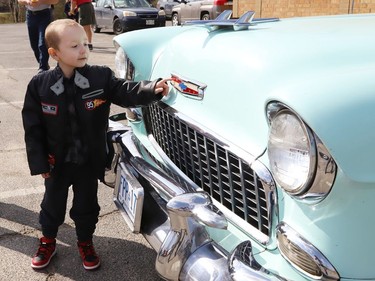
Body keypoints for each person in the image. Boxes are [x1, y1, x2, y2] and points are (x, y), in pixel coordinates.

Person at [22, 19, 170, 270]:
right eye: (74, 46)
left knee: (86, 206)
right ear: (54, 53)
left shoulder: (99, 77)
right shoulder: (40, 85)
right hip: (56, 163)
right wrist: (39, 162)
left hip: (88, 161)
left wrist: (150, 89)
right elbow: (33, 128)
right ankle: (48, 240)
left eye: (85, 44)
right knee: (52, 205)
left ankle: (85, 242)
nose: (83, 50)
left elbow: (124, 90)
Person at [18, 0, 58, 72]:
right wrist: (27, 2)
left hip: (45, 15)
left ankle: (43, 67)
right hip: (30, 15)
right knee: (34, 44)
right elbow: (19, 1)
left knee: (42, 43)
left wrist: (41, 1)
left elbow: (55, 1)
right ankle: (43, 64)